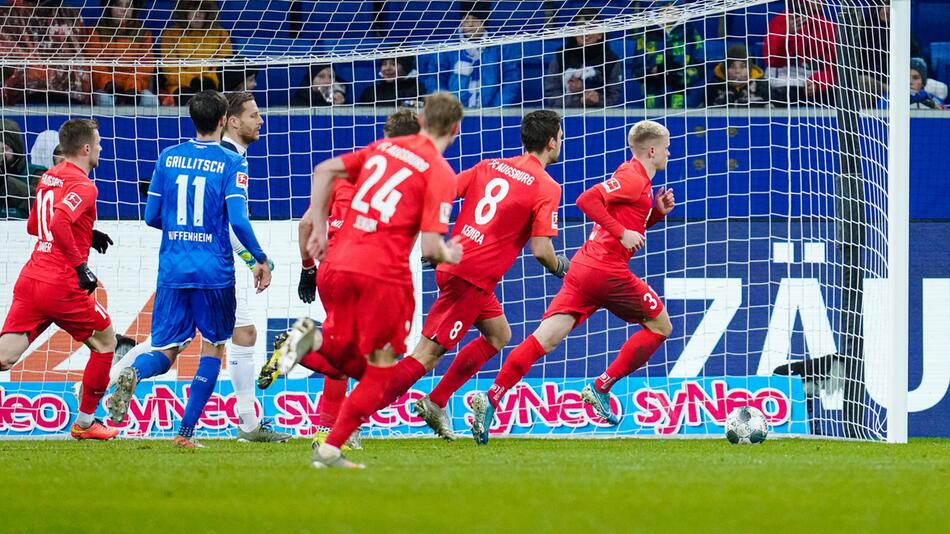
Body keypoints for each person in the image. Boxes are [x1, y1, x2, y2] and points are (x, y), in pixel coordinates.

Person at [275, 93, 464, 468]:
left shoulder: (382, 149)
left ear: (423, 120)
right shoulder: (440, 172)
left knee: (352, 361)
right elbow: (429, 247)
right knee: (381, 370)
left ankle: (330, 447)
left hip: (340, 261)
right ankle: (312, 347)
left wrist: (318, 224)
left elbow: (325, 170)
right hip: (384, 276)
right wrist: (449, 253)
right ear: (455, 129)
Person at [469, 120, 676, 445]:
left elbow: (628, 220)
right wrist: (621, 233)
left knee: (545, 340)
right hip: (608, 271)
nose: (668, 152)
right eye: (665, 147)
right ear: (652, 151)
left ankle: (492, 396)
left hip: (584, 268)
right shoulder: (633, 179)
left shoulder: (637, 179)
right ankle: (602, 386)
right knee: (661, 326)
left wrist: (656, 214)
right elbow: (586, 200)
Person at [108, 90, 273, 448]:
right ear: (223, 121)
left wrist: (182, 229)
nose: (261, 121)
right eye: (255, 115)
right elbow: (238, 221)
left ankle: (130, 374)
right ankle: (185, 433)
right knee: (214, 346)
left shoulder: (168, 156)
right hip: (213, 269)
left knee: (167, 350)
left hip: (172, 268)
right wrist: (259, 258)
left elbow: (152, 216)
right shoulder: (231, 162)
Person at [258, 108, 423, 452]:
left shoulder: (349, 171)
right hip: (369, 271)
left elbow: (306, 225)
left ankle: (326, 413)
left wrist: (307, 269)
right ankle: (334, 426)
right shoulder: (413, 176)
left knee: (343, 350)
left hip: (330, 269)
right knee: (369, 358)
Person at [400, 110, 566, 440]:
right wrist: (562, 266)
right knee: (426, 356)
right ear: (551, 142)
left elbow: (443, 193)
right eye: (560, 137)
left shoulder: (490, 165)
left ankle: (436, 402)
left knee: (498, 335)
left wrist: (436, 240)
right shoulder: (547, 186)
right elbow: (541, 251)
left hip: (459, 266)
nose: (561, 143)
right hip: (470, 278)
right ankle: (353, 418)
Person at [0, 119, 118, 441]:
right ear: (85, 149)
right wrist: (81, 266)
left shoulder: (49, 177)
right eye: (98, 143)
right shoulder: (84, 185)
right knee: (106, 343)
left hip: (32, 276)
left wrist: (86, 234)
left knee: (4, 357)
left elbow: (35, 226)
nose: (101, 148)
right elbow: (60, 220)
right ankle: (84, 422)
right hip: (62, 283)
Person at [417, 1, 520, 108]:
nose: (470, 24)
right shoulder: (447, 48)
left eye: (475, 19)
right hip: (454, 113)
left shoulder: (500, 48)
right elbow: (435, 79)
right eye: (466, 19)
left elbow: (511, 81)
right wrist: (448, 107)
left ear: (484, 21)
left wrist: (495, 108)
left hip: (491, 112)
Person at [159, 0, 233, 105]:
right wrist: (192, 81)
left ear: (208, 13)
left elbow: (224, 64)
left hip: (212, 86)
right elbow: (170, 68)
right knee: (185, 98)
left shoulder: (221, 34)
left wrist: (208, 80)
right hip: (180, 86)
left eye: (201, 10)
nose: (197, 15)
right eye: (192, 10)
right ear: (184, 12)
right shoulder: (170, 34)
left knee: (214, 100)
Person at [763, 0, 836, 105]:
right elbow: (773, 61)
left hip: (814, 87)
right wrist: (788, 35)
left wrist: (818, 82)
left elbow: (834, 67)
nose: (819, 2)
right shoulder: (780, 21)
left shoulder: (828, 27)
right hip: (782, 85)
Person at [544, 8, 622, 108]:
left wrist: (598, 99)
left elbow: (613, 99)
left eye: (591, 27)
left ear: (600, 34)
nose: (585, 32)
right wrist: (579, 100)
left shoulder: (611, 60)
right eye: (580, 27)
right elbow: (551, 97)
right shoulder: (561, 55)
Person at [87, 0, 159, 107]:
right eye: (118, 5)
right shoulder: (96, 31)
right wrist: (108, 84)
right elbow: (96, 64)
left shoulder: (143, 33)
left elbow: (145, 66)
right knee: (104, 100)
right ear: (109, 6)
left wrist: (133, 88)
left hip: (135, 87)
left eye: (128, 5)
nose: (123, 10)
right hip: (105, 88)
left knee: (151, 101)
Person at [358, 57, 425, 107]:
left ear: (405, 68)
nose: (387, 68)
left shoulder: (418, 90)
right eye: (384, 64)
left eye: (393, 64)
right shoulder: (370, 93)